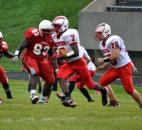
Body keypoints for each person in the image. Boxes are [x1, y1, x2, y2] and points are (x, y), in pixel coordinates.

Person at [52, 16, 108, 107]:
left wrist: (62, 56)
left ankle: (103, 90)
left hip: (79, 62)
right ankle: (68, 98)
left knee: (90, 85)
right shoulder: (54, 36)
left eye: (57, 26)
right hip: (69, 63)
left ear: (64, 26)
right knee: (60, 76)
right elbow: (59, 49)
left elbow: (76, 52)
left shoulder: (70, 33)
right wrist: (58, 54)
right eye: (54, 26)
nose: (55, 28)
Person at [94, 23, 142, 108]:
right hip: (115, 68)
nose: (97, 35)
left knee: (129, 90)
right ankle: (113, 102)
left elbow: (115, 56)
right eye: (97, 33)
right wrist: (104, 65)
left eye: (99, 32)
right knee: (102, 82)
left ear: (106, 32)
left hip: (125, 66)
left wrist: (102, 60)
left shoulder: (114, 39)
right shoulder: (101, 44)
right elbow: (110, 56)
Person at [11, 20, 55, 104]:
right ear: (39, 29)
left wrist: (54, 65)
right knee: (34, 71)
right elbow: (22, 45)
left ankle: (42, 99)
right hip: (29, 57)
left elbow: (51, 53)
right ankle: (33, 95)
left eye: (48, 31)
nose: (46, 32)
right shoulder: (33, 34)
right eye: (44, 30)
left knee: (51, 80)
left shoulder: (51, 38)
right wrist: (16, 55)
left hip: (42, 60)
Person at [0, 32, 14, 99]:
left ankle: (9, 96)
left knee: (4, 79)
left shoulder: (3, 45)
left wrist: (14, 56)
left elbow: (6, 53)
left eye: (0, 39)